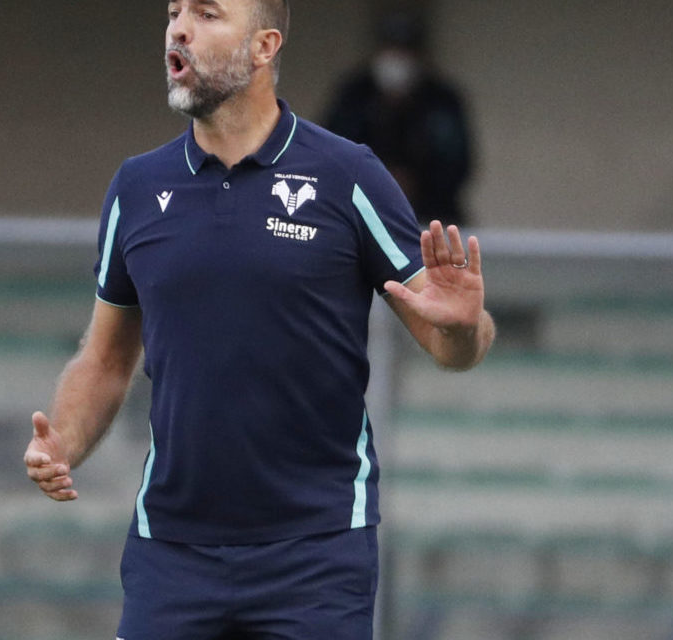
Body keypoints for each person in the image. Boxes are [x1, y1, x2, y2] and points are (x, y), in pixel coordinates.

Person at [24, 1, 494, 638]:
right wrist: (65, 444)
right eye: (174, 13)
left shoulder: (346, 174)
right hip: (172, 550)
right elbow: (105, 358)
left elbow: (451, 346)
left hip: (317, 552)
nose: (179, 28)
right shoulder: (136, 188)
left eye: (208, 14)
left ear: (264, 46)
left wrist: (465, 325)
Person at [324, 9, 476, 227]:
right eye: (391, 49)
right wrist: (379, 177)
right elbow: (332, 149)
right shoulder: (355, 94)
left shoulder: (442, 99)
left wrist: (417, 183)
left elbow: (459, 161)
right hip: (358, 212)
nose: (397, 60)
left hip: (431, 217)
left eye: (405, 51)